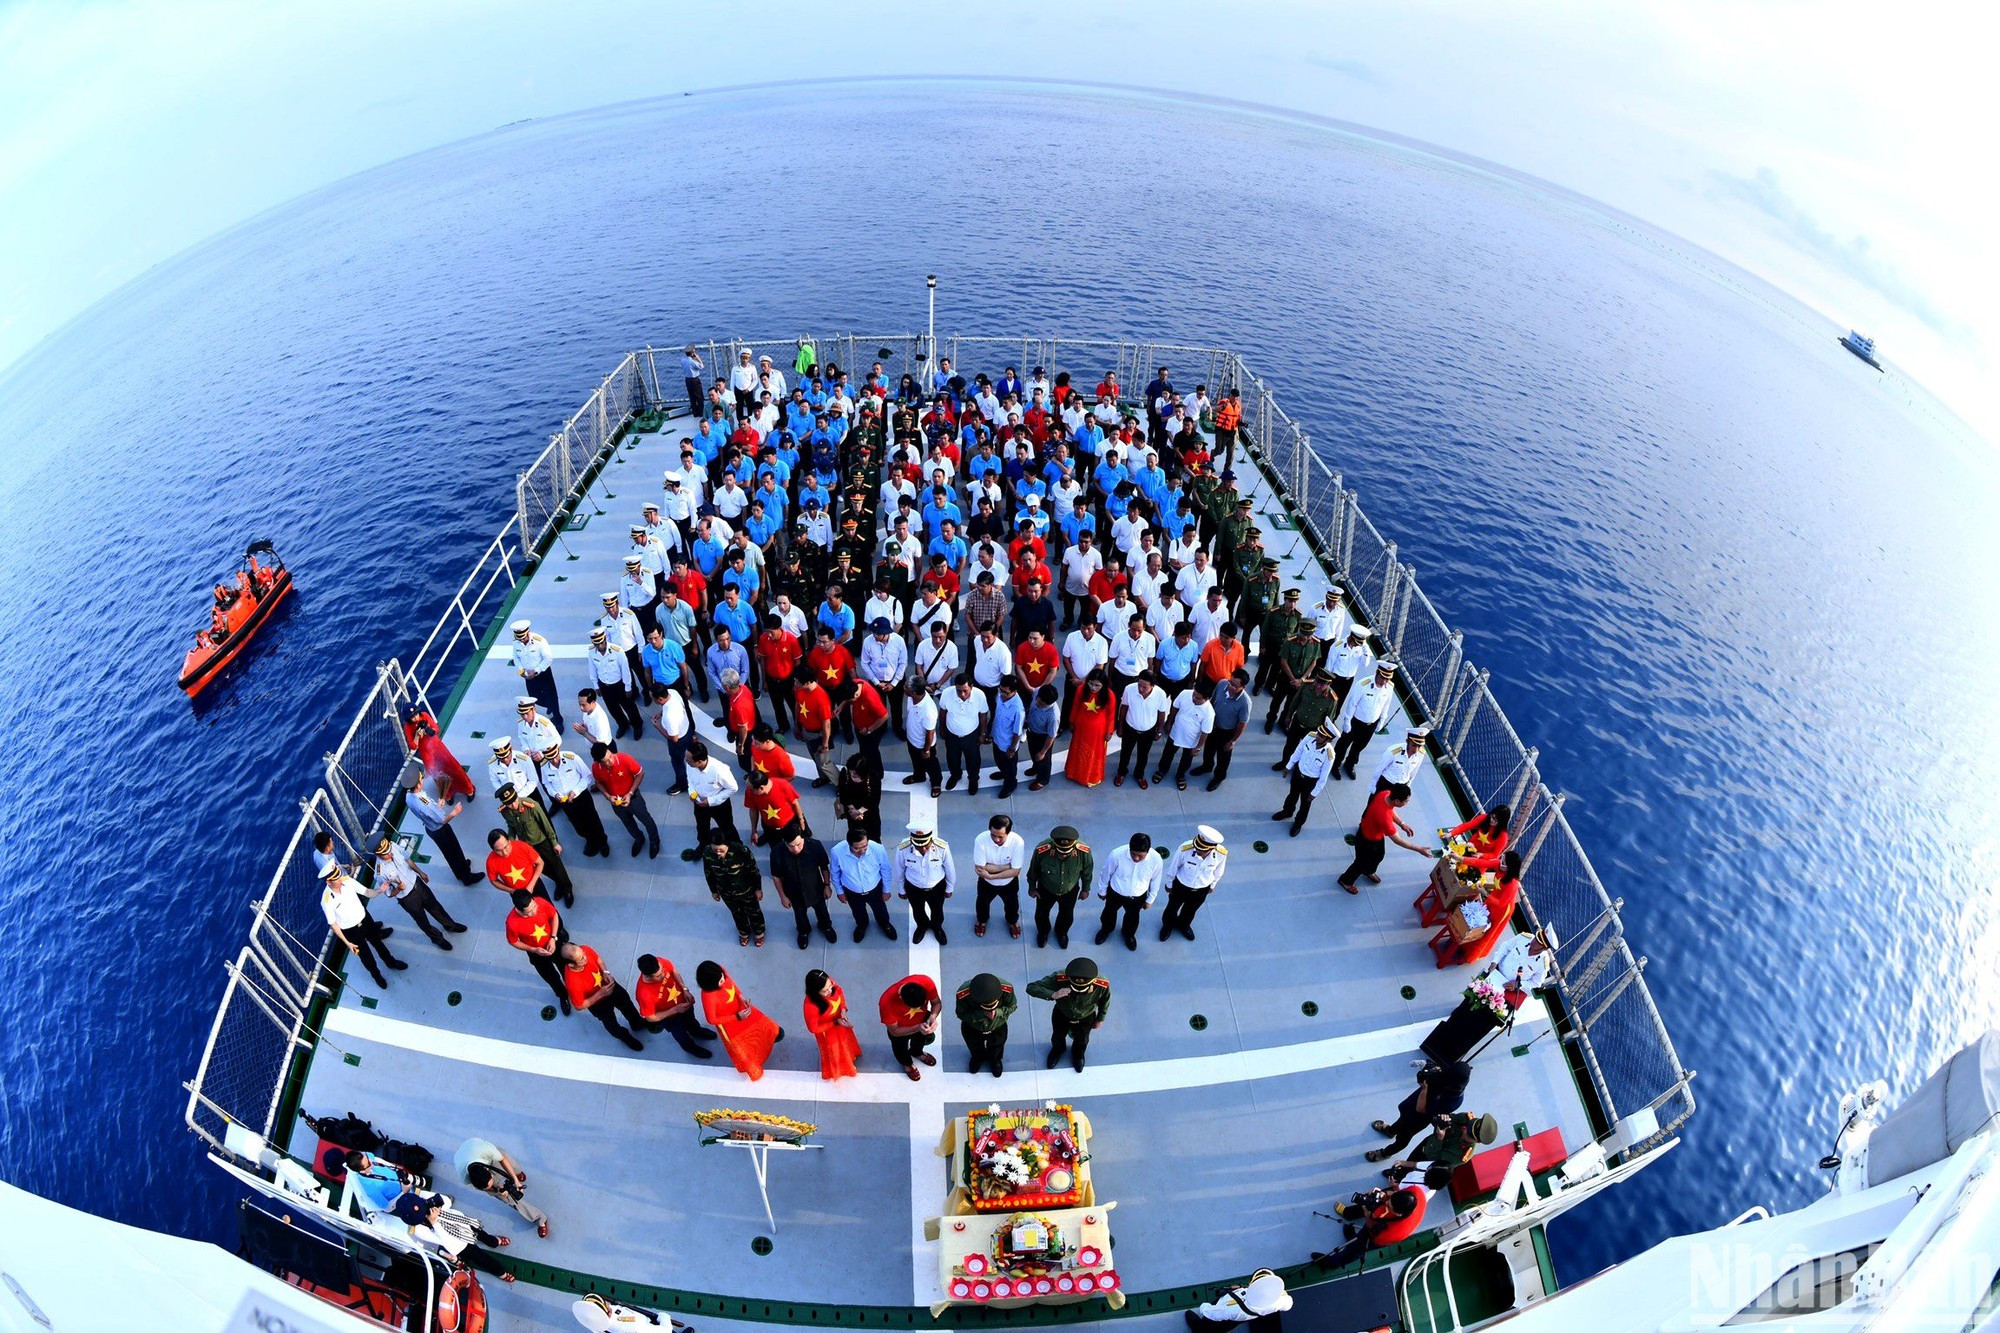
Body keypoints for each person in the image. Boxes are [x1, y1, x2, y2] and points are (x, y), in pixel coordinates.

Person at [370, 835, 466, 950]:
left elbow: (408, 860)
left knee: (435, 906)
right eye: (385, 854)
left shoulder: (393, 846)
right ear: (377, 855)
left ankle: (450, 925)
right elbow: (389, 894)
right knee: (422, 920)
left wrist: (420, 872)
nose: (390, 854)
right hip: (407, 898)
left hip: (417, 884)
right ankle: (437, 939)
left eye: (389, 851)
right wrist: (399, 889)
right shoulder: (380, 873)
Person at [1365, 1060, 1473, 1161]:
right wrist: (1426, 1065)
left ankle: (1386, 1153)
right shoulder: (1446, 1077)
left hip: (1417, 1120)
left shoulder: (1452, 1101)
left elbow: (1421, 1109)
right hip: (1409, 1108)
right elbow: (1436, 1068)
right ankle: (1390, 1131)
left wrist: (1424, 1088)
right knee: (1401, 1120)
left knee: (1403, 1138)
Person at [1337, 782, 1431, 895]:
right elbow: (1398, 840)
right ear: (1397, 801)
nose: (1407, 802)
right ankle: (1346, 881)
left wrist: (1402, 824)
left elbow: (1391, 810)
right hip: (1366, 840)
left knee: (1379, 855)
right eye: (1406, 801)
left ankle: (1368, 871)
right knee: (1360, 863)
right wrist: (1419, 849)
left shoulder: (1385, 794)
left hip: (1376, 836)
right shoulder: (1384, 818)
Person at [320, 860, 402, 988]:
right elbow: (334, 924)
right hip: (351, 931)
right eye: (336, 879)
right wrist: (347, 943)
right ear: (328, 882)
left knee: (378, 943)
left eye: (339, 876)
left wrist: (380, 890)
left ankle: (391, 962)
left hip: (365, 920)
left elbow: (367, 892)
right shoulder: (327, 900)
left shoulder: (347, 881)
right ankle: (376, 976)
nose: (340, 880)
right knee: (365, 956)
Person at [697, 960, 783, 1080]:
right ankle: (754, 1066)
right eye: (720, 981)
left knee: (766, 1027)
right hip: (729, 1024)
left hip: (741, 1009)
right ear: (711, 984)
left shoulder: (719, 972)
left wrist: (741, 995)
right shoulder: (708, 996)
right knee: (744, 1050)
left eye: (722, 977)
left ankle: (769, 1040)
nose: (723, 980)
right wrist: (736, 1017)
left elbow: (730, 983)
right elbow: (711, 1019)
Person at [1314, 1184, 1428, 1271]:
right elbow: (1396, 1193)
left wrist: (1367, 1213)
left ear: (1398, 1214)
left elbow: (1371, 1232)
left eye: (1388, 1205)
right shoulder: (1415, 1191)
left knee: (1358, 1248)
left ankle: (1334, 1263)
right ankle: (1354, 1237)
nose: (1385, 1203)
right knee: (1359, 1238)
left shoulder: (1393, 1233)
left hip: (1378, 1236)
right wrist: (1385, 1194)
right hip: (1388, 1222)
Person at [454, 1138, 550, 1238]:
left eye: (491, 1182)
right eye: (488, 1187)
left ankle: (517, 1173)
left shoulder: (486, 1151)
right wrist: (497, 1191)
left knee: (513, 1167)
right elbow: (484, 1187)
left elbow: (502, 1159)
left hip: (482, 1153)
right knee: (509, 1200)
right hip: (468, 1160)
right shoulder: (465, 1179)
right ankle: (539, 1219)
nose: (491, 1186)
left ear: (488, 1171)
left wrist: (516, 1181)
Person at [560, 942, 646, 1052]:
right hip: (597, 1003)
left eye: (583, 954)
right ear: (571, 965)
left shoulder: (584, 949)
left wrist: (606, 972)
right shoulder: (572, 981)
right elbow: (579, 1005)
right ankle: (626, 1037)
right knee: (611, 1024)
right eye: (581, 959)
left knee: (627, 1004)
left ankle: (637, 1023)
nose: (585, 958)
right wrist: (600, 994)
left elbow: (598, 960)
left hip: (609, 985)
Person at [1029, 957, 1111, 1072]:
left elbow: (1105, 1001)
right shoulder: (1059, 978)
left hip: (1085, 1017)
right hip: (1062, 1014)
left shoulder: (1102, 985)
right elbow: (1032, 987)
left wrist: (1100, 1018)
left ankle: (1078, 1055)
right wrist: (1053, 994)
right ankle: (1058, 1050)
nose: (1078, 991)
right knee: (1057, 1036)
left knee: (1082, 1040)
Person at [1380, 1111, 1499, 1190]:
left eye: (1467, 1133)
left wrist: (1440, 1138)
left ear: (1476, 1141)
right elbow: (1448, 1118)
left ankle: (1398, 1185)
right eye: (1467, 1128)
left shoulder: (1463, 1155)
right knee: (1410, 1159)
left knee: (1414, 1171)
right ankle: (1398, 1173)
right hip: (1428, 1144)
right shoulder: (1465, 1119)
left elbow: (1434, 1159)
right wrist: (1443, 1118)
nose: (1464, 1130)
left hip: (1430, 1160)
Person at [402, 769, 482, 886]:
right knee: (455, 851)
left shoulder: (409, 796)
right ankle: (467, 877)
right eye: (421, 779)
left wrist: (437, 806)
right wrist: (455, 812)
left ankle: (459, 871)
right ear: (418, 784)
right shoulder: (424, 803)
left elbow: (427, 812)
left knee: (448, 854)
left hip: (430, 829)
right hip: (440, 831)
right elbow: (442, 820)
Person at [499, 783, 574, 905]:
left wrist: (554, 842)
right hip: (526, 847)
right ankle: (558, 883)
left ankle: (567, 888)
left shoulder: (531, 805)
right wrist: (510, 841)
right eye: (508, 803)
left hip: (541, 841)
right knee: (541, 868)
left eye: (514, 800)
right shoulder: (505, 812)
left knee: (556, 865)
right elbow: (511, 826)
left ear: (517, 795)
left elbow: (546, 824)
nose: (512, 805)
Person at [633, 953, 717, 1058]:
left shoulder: (660, 962)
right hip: (670, 1018)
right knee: (681, 1035)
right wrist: (675, 1010)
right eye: (658, 976)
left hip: (683, 1002)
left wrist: (684, 989)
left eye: (662, 970)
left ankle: (696, 1031)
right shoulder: (644, 993)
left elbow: (674, 971)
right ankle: (691, 1048)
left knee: (692, 1021)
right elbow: (650, 1018)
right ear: (648, 977)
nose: (663, 974)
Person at [540, 742, 611, 860]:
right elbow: (547, 783)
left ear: (558, 750)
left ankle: (602, 842)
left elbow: (587, 776)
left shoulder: (571, 758)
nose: (553, 760)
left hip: (581, 796)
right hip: (565, 801)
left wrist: (575, 791)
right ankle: (590, 840)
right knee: (578, 824)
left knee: (592, 820)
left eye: (554, 756)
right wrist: (555, 794)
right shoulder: (544, 766)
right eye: (549, 758)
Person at [1027, 824, 1094, 949]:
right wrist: (1032, 887)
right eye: (1061, 852)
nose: (1063, 855)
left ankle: (1061, 932)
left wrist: (1086, 889)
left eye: (1066, 852)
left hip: (1070, 890)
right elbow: (1033, 870)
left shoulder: (1083, 851)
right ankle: (1043, 932)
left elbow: (1087, 871)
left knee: (1067, 915)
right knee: (1041, 914)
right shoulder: (1042, 850)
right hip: (1046, 889)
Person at [1330, 658, 1399, 779]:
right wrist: (1347, 722)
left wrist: (1381, 722)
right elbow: (1352, 704)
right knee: (1343, 744)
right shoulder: (1363, 685)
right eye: (1383, 677)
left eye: (1387, 679)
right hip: (1356, 721)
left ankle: (1349, 764)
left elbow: (1385, 706)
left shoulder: (1389, 687)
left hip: (1371, 724)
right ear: (1377, 672)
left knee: (1359, 746)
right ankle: (1335, 764)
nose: (1384, 681)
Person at [589, 742, 660, 859]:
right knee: (628, 823)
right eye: (606, 761)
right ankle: (639, 838)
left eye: (610, 756)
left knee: (646, 820)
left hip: (633, 798)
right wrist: (608, 796)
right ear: (598, 762)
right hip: (616, 803)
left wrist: (630, 793)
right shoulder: (596, 768)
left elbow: (640, 773)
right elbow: (598, 782)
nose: (610, 761)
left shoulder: (624, 759)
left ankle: (654, 841)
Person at [1095, 832, 1164, 951]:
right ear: (1129, 848)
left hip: (1138, 896)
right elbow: (1106, 873)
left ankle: (1129, 935)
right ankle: (1106, 929)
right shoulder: (1116, 854)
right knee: (1109, 913)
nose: (1136, 858)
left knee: (1132, 917)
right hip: (1115, 892)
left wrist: (1150, 899)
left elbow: (1156, 880)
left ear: (1147, 851)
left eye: (1140, 856)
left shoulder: (1156, 859)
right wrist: (1102, 891)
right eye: (1133, 854)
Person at [771, 827, 838, 949]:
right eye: (791, 846)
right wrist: (783, 897)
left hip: (816, 889)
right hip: (794, 892)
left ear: (803, 838)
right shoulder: (777, 852)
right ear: (784, 842)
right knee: (800, 915)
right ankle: (803, 931)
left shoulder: (815, 846)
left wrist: (827, 885)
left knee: (822, 911)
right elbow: (776, 877)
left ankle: (826, 926)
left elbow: (824, 867)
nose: (796, 849)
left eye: (798, 844)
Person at [891, 821, 957, 946]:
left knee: (937, 910)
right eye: (918, 846)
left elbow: (950, 869)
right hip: (913, 887)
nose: (923, 849)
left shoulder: (942, 847)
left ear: (930, 840)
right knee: (918, 910)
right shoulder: (903, 848)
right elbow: (899, 869)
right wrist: (901, 889)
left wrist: (949, 887)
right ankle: (922, 926)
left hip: (936, 887)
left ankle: (937, 928)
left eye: (925, 845)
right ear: (912, 841)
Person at [1158, 825, 1229, 942]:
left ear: (1212, 848)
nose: (1198, 850)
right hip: (1181, 886)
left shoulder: (1221, 854)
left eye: (1202, 849)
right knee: (1172, 908)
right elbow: (1173, 867)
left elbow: (1219, 871)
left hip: (1202, 889)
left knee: (1191, 910)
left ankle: (1184, 925)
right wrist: (1169, 884)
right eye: (1197, 847)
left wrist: (1213, 884)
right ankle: (1167, 926)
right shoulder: (1185, 849)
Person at [503, 888, 569, 1011]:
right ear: (518, 910)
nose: (534, 911)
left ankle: (573, 989)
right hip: (536, 953)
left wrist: (553, 938)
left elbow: (553, 915)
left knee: (565, 967)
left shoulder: (539, 902)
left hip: (553, 942)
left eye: (534, 907)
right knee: (550, 977)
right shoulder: (512, 923)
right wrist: (533, 950)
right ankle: (563, 995)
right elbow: (513, 941)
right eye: (530, 911)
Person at [831, 823, 898, 942]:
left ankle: (885, 924)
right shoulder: (837, 852)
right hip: (852, 891)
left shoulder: (877, 849)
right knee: (857, 912)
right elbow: (835, 873)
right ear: (849, 844)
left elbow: (886, 869)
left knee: (880, 910)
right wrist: (839, 891)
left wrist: (886, 889)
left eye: (865, 846)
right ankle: (861, 926)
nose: (862, 851)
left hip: (875, 888)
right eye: (857, 848)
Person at [1273, 720, 1339, 836]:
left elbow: (1323, 777)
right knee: (1292, 795)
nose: (1318, 736)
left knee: (1305, 804)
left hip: (1310, 781)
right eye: (1319, 733)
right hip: (1298, 773)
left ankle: (1298, 823)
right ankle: (1287, 811)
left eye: (1322, 736)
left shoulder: (1329, 755)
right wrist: (1288, 766)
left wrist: (1314, 793)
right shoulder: (1309, 737)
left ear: (1328, 740)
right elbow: (1298, 752)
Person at [1189, 669, 1250, 791]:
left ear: (1243, 687)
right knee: (1209, 749)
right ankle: (1207, 766)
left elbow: (1243, 724)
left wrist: (1232, 741)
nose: (1230, 686)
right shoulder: (1222, 683)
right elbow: (1212, 701)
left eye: (1235, 685)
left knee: (1223, 757)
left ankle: (1219, 777)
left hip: (1227, 732)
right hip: (1213, 726)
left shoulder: (1245, 702)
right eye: (1230, 682)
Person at [1149, 679, 1214, 790]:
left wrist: (1198, 748)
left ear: (1206, 698)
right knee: (1167, 753)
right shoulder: (1185, 694)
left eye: (1198, 698)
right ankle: (1162, 770)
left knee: (1186, 760)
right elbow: (1175, 707)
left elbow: (1205, 732)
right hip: (1175, 733)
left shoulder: (1209, 712)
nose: (1194, 698)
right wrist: (1169, 722)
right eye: (1194, 695)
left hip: (1191, 741)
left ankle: (1180, 775)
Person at [702, 837, 766, 947]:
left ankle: (759, 932)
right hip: (726, 892)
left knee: (754, 912)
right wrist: (714, 891)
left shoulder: (741, 851)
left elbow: (753, 870)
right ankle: (743, 932)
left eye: (721, 850)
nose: (718, 852)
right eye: (715, 849)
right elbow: (708, 873)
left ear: (727, 845)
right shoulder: (707, 853)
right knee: (737, 913)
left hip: (746, 890)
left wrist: (758, 889)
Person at [971, 813, 1026, 939]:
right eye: (993, 835)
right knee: (982, 904)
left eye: (1000, 837)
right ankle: (981, 921)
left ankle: (1012, 922)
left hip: (1008, 883)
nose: (996, 840)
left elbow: (1015, 872)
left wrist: (990, 875)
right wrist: (1007, 867)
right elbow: (980, 868)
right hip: (986, 884)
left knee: (1012, 905)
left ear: (1009, 833)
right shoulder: (980, 840)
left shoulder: (1017, 842)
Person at [803, 969, 863, 1081]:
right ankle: (841, 1068)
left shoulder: (828, 983)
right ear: (815, 991)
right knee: (834, 1051)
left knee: (845, 1043)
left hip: (839, 1023)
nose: (830, 991)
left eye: (830, 986)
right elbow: (813, 1028)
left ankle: (849, 1058)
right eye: (825, 991)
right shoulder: (810, 1007)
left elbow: (839, 991)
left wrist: (843, 1009)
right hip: (827, 1032)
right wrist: (834, 1023)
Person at [1112, 671, 1170, 788]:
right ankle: (1121, 773)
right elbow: (1124, 707)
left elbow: (1161, 713)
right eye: (1139, 685)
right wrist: (1120, 726)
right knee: (1125, 753)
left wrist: (1158, 731)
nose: (1141, 689)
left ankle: (1139, 775)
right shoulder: (1129, 689)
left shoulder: (1160, 694)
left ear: (1152, 686)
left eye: (1145, 687)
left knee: (1143, 755)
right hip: (1130, 728)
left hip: (1148, 731)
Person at [879, 974, 942, 1081]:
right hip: (901, 1030)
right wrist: (918, 1028)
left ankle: (917, 1052)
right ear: (900, 998)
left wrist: (933, 1016)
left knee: (920, 1041)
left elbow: (936, 1003)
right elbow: (894, 1031)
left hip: (922, 1021)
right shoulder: (886, 1002)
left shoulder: (925, 982)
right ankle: (907, 1064)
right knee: (900, 1049)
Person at [1185, 1270, 1292, 1331]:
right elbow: (1289, 1303)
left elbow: (1211, 1313)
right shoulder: (1278, 1302)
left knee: (1209, 1326)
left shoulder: (1233, 1307)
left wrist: (1204, 1307)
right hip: (1237, 1318)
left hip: (1223, 1314)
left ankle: (1198, 1328)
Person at [956, 972, 1016, 1078]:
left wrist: (998, 1012)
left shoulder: (1006, 989)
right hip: (973, 1027)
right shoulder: (963, 994)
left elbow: (1012, 1006)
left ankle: (995, 1059)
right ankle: (977, 1057)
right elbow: (961, 1014)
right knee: (974, 1045)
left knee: (997, 1045)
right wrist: (981, 1014)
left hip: (997, 1026)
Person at [937, 675, 990, 794]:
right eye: (958, 691)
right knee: (952, 758)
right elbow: (943, 712)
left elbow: (983, 715)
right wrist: (942, 728)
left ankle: (973, 779)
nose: (961, 694)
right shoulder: (946, 693)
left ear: (971, 687)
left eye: (965, 691)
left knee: (973, 760)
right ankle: (955, 775)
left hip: (971, 735)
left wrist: (983, 733)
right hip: (952, 735)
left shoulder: (980, 695)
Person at [508, 619, 563, 728]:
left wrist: (537, 670)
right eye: (519, 638)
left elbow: (548, 658)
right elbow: (516, 657)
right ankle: (549, 705)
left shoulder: (539, 641)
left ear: (528, 632)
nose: (522, 640)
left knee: (551, 696)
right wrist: (521, 670)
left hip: (543, 673)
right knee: (534, 697)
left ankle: (558, 719)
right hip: (528, 676)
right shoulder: (516, 642)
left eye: (523, 637)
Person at [1064, 670, 1115, 788]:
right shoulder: (1081, 689)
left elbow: (1111, 715)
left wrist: (1109, 731)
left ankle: (1092, 776)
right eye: (1091, 683)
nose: (1093, 687)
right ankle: (1074, 773)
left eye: (1097, 685)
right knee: (1078, 751)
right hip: (1081, 727)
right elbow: (1075, 706)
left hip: (1098, 731)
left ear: (1104, 685)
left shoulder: (1109, 695)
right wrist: (1071, 722)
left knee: (1094, 754)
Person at [684, 741, 740, 845]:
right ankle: (703, 844)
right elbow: (690, 779)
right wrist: (692, 792)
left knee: (727, 827)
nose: (686, 761)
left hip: (719, 806)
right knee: (701, 826)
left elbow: (733, 788)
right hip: (699, 802)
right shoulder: (690, 765)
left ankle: (735, 846)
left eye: (689, 760)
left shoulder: (719, 770)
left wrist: (711, 801)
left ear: (699, 762)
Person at [743, 768, 807, 847]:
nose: (749, 790)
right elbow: (753, 810)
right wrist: (754, 831)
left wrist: (801, 820)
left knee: (796, 845)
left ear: (761, 788)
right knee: (776, 847)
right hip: (769, 826)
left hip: (790, 824)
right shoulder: (749, 792)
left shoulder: (783, 785)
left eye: (752, 789)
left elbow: (795, 804)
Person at [648, 684, 693, 796]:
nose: (652, 700)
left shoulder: (670, 717)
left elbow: (674, 739)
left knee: (678, 762)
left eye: (653, 698)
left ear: (660, 699)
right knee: (692, 755)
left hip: (680, 741)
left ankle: (682, 784)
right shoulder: (672, 692)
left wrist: (657, 726)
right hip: (687, 730)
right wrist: (660, 713)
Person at [833, 752, 884, 843]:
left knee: (874, 839)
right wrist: (852, 810)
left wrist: (859, 811)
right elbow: (843, 793)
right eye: (851, 771)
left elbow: (874, 800)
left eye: (855, 773)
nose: (852, 774)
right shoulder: (845, 774)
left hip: (870, 814)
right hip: (852, 812)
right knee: (856, 837)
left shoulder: (874, 777)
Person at [1024, 682, 1061, 791]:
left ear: (1049, 703)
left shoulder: (1053, 716)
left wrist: (1043, 752)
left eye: (1041, 702)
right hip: (1032, 731)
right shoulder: (1039, 692)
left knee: (1043, 759)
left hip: (1043, 738)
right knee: (1032, 752)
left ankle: (1042, 780)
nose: (1037, 702)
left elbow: (1051, 736)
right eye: (1038, 698)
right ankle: (1035, 767)